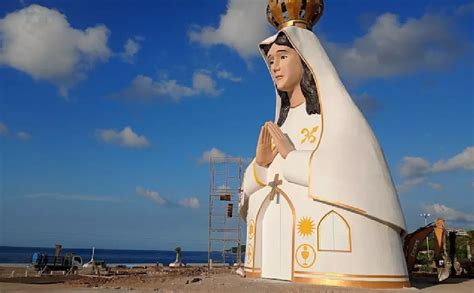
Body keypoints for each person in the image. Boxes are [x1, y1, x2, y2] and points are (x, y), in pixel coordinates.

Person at [238, 8, 409, 288]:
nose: (275, 67)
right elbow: (251, 188)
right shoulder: (281, 121)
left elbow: (355, 172)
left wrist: (291, 157)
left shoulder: (337, 116)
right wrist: (259, 165)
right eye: (270, 61)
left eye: (283, 57)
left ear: (306, 59)